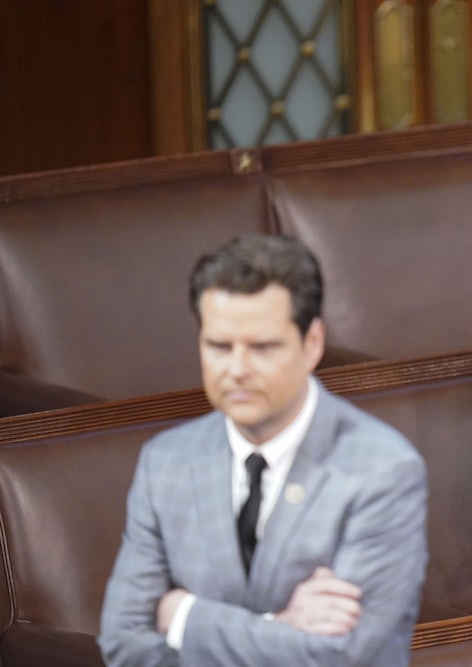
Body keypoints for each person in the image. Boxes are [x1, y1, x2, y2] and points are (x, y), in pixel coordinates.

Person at [99, 233, 428, 666]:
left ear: (312, 344)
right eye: (219, 346)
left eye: (263, 347)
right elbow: (124, 644)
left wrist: (183, 618)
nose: (237, 370)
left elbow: (340, 657)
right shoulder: (166, 463)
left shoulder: (383, 470)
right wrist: (278, 625)